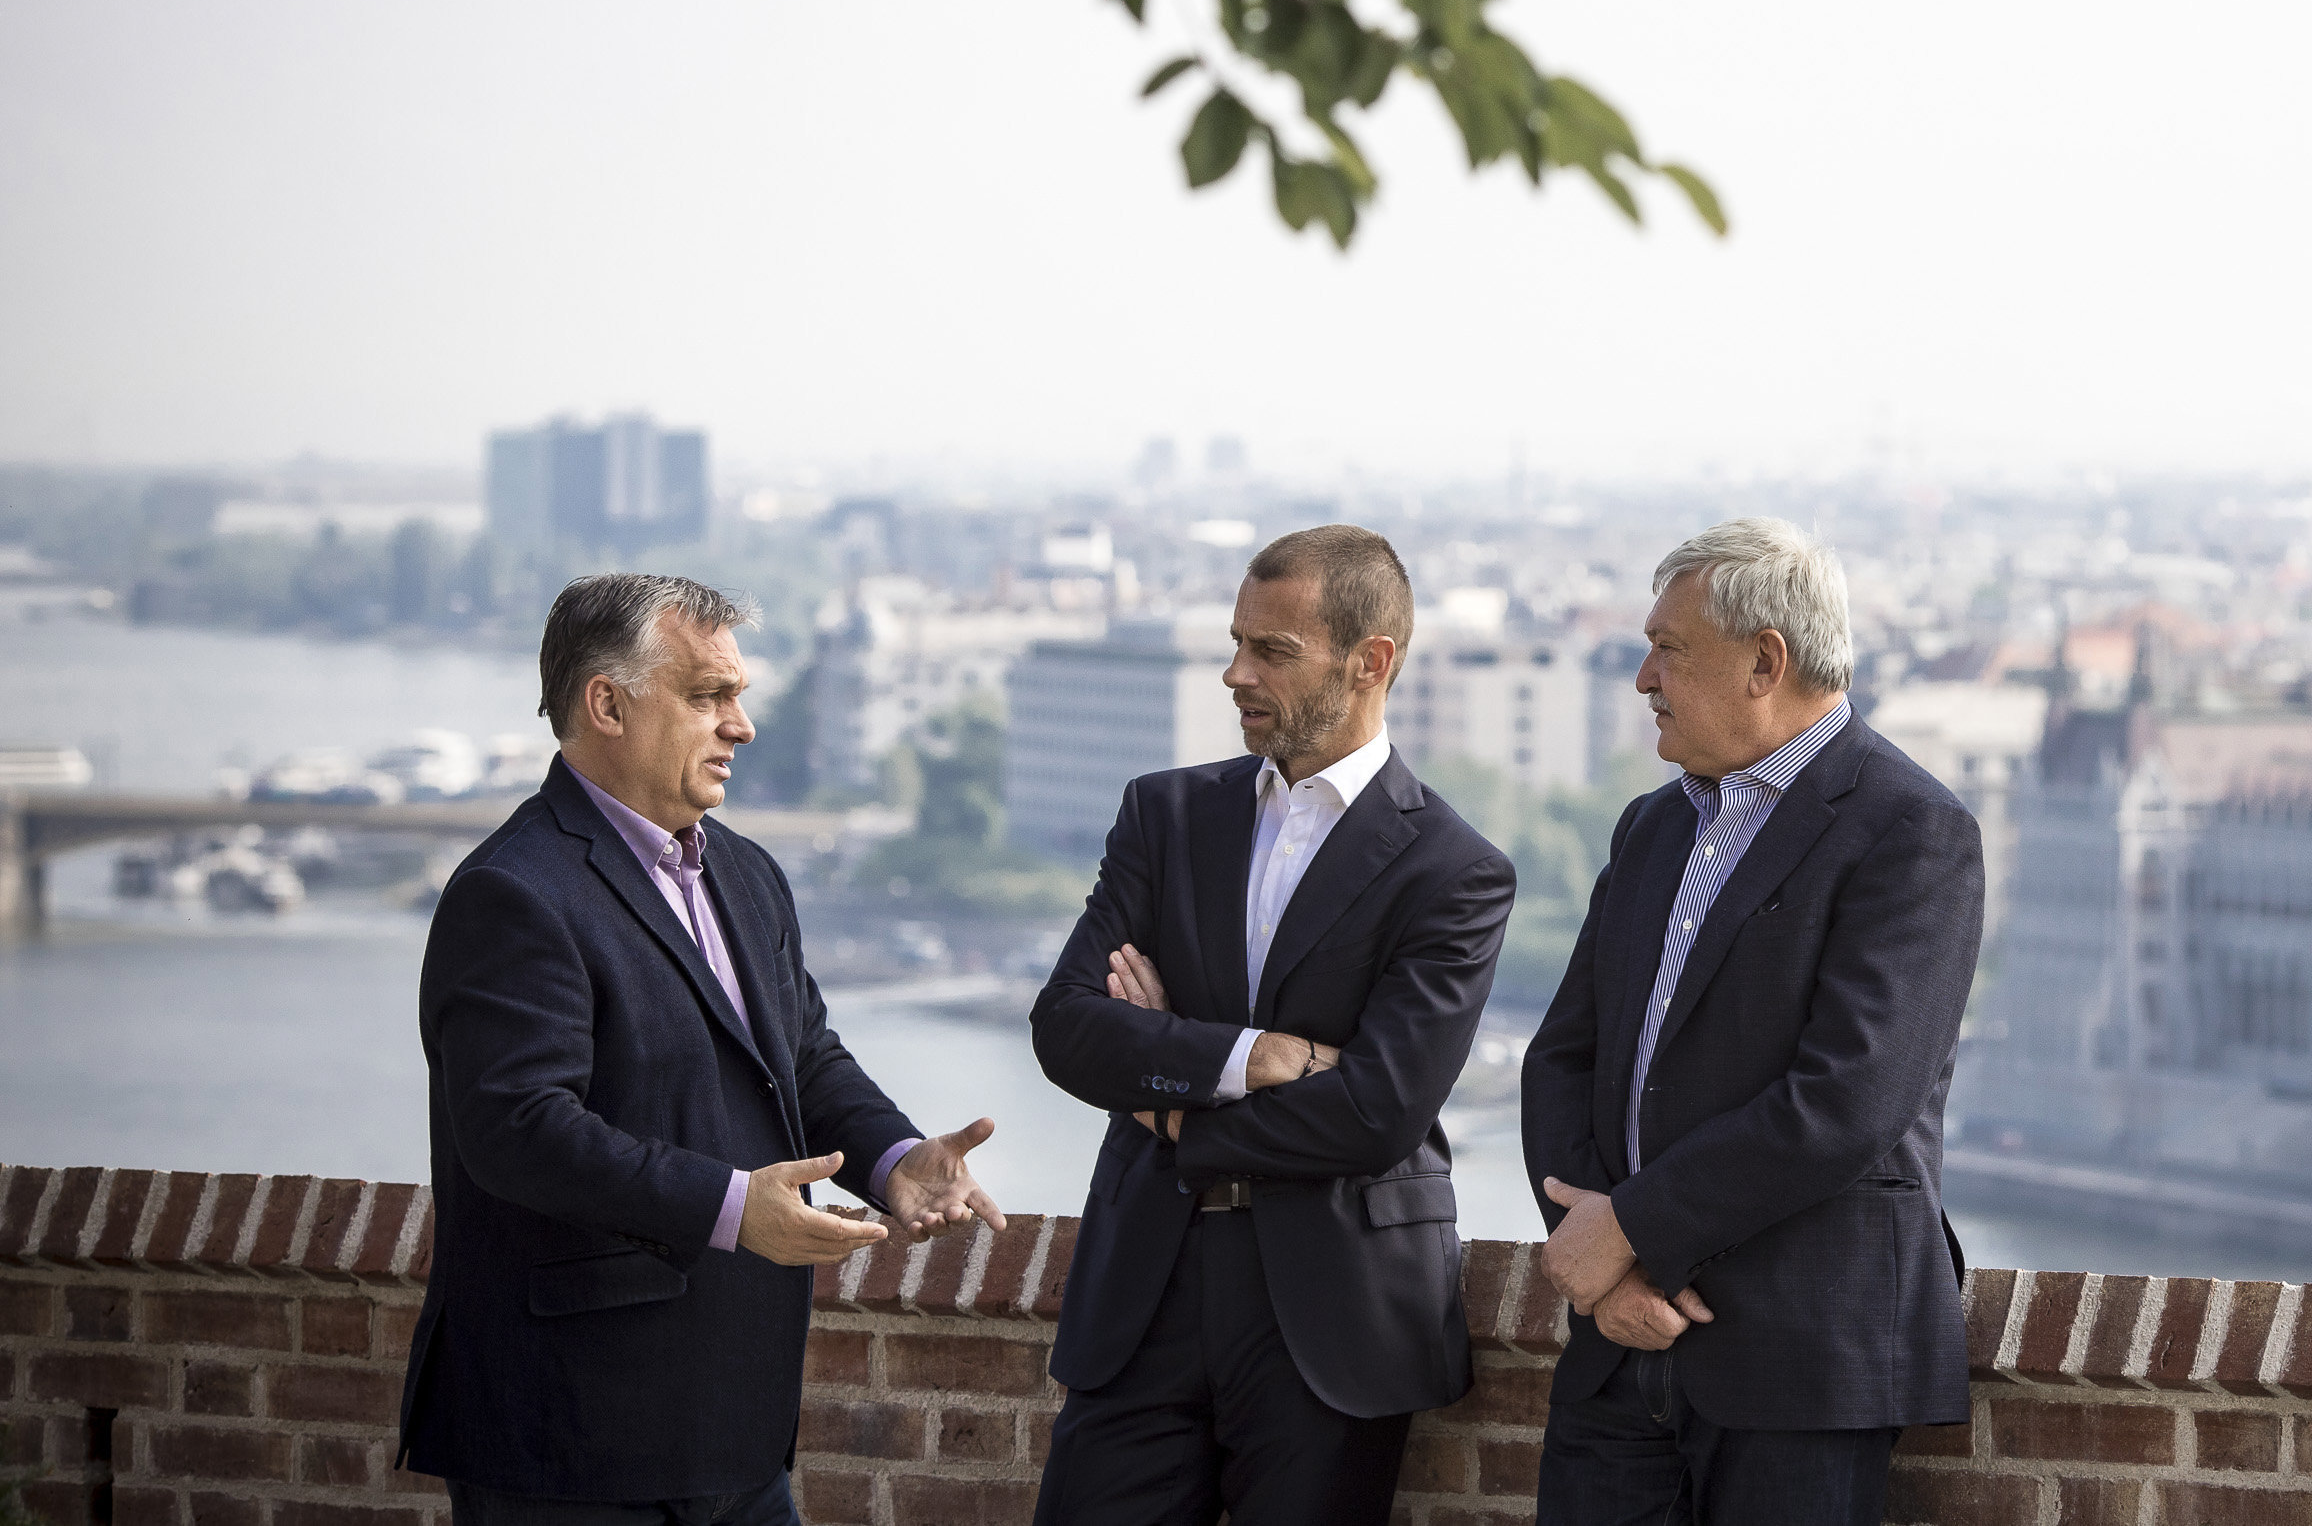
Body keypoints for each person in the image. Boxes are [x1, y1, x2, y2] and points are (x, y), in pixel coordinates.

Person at [400, 574, 1003, 1526]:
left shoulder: (747, 872)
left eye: (740, 696)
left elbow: (805, 1055)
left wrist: (896, 1160)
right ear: (607, 702)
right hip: (572, 1439)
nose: (741, 726)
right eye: (707, 695)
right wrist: (732, 1208)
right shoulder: (513, 891)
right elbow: (516, 1129)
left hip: (735, 1430)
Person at [1028, 525, 1516, 1526]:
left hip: (1331, 1312)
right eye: (1237, 641)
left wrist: (1170, 1109)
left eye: (1272, 651)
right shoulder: (1162, 814)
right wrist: (1248, 1056)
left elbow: (1375, 1112)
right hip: (1145, 1290)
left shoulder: (1454, 870)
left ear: (1370, 661)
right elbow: (1067, 1028)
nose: (1233, 671)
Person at [1520, 518, 1988, 1525]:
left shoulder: (1912, 829)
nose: (1642, 675)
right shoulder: (1653, 825)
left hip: (1799, 1361)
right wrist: (1595, 1258)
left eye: (1668, 648)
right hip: (1619, 1353)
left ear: (1763, 660)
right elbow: (1564, 1054)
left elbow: (1848, 1098)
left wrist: (1634, 1230)